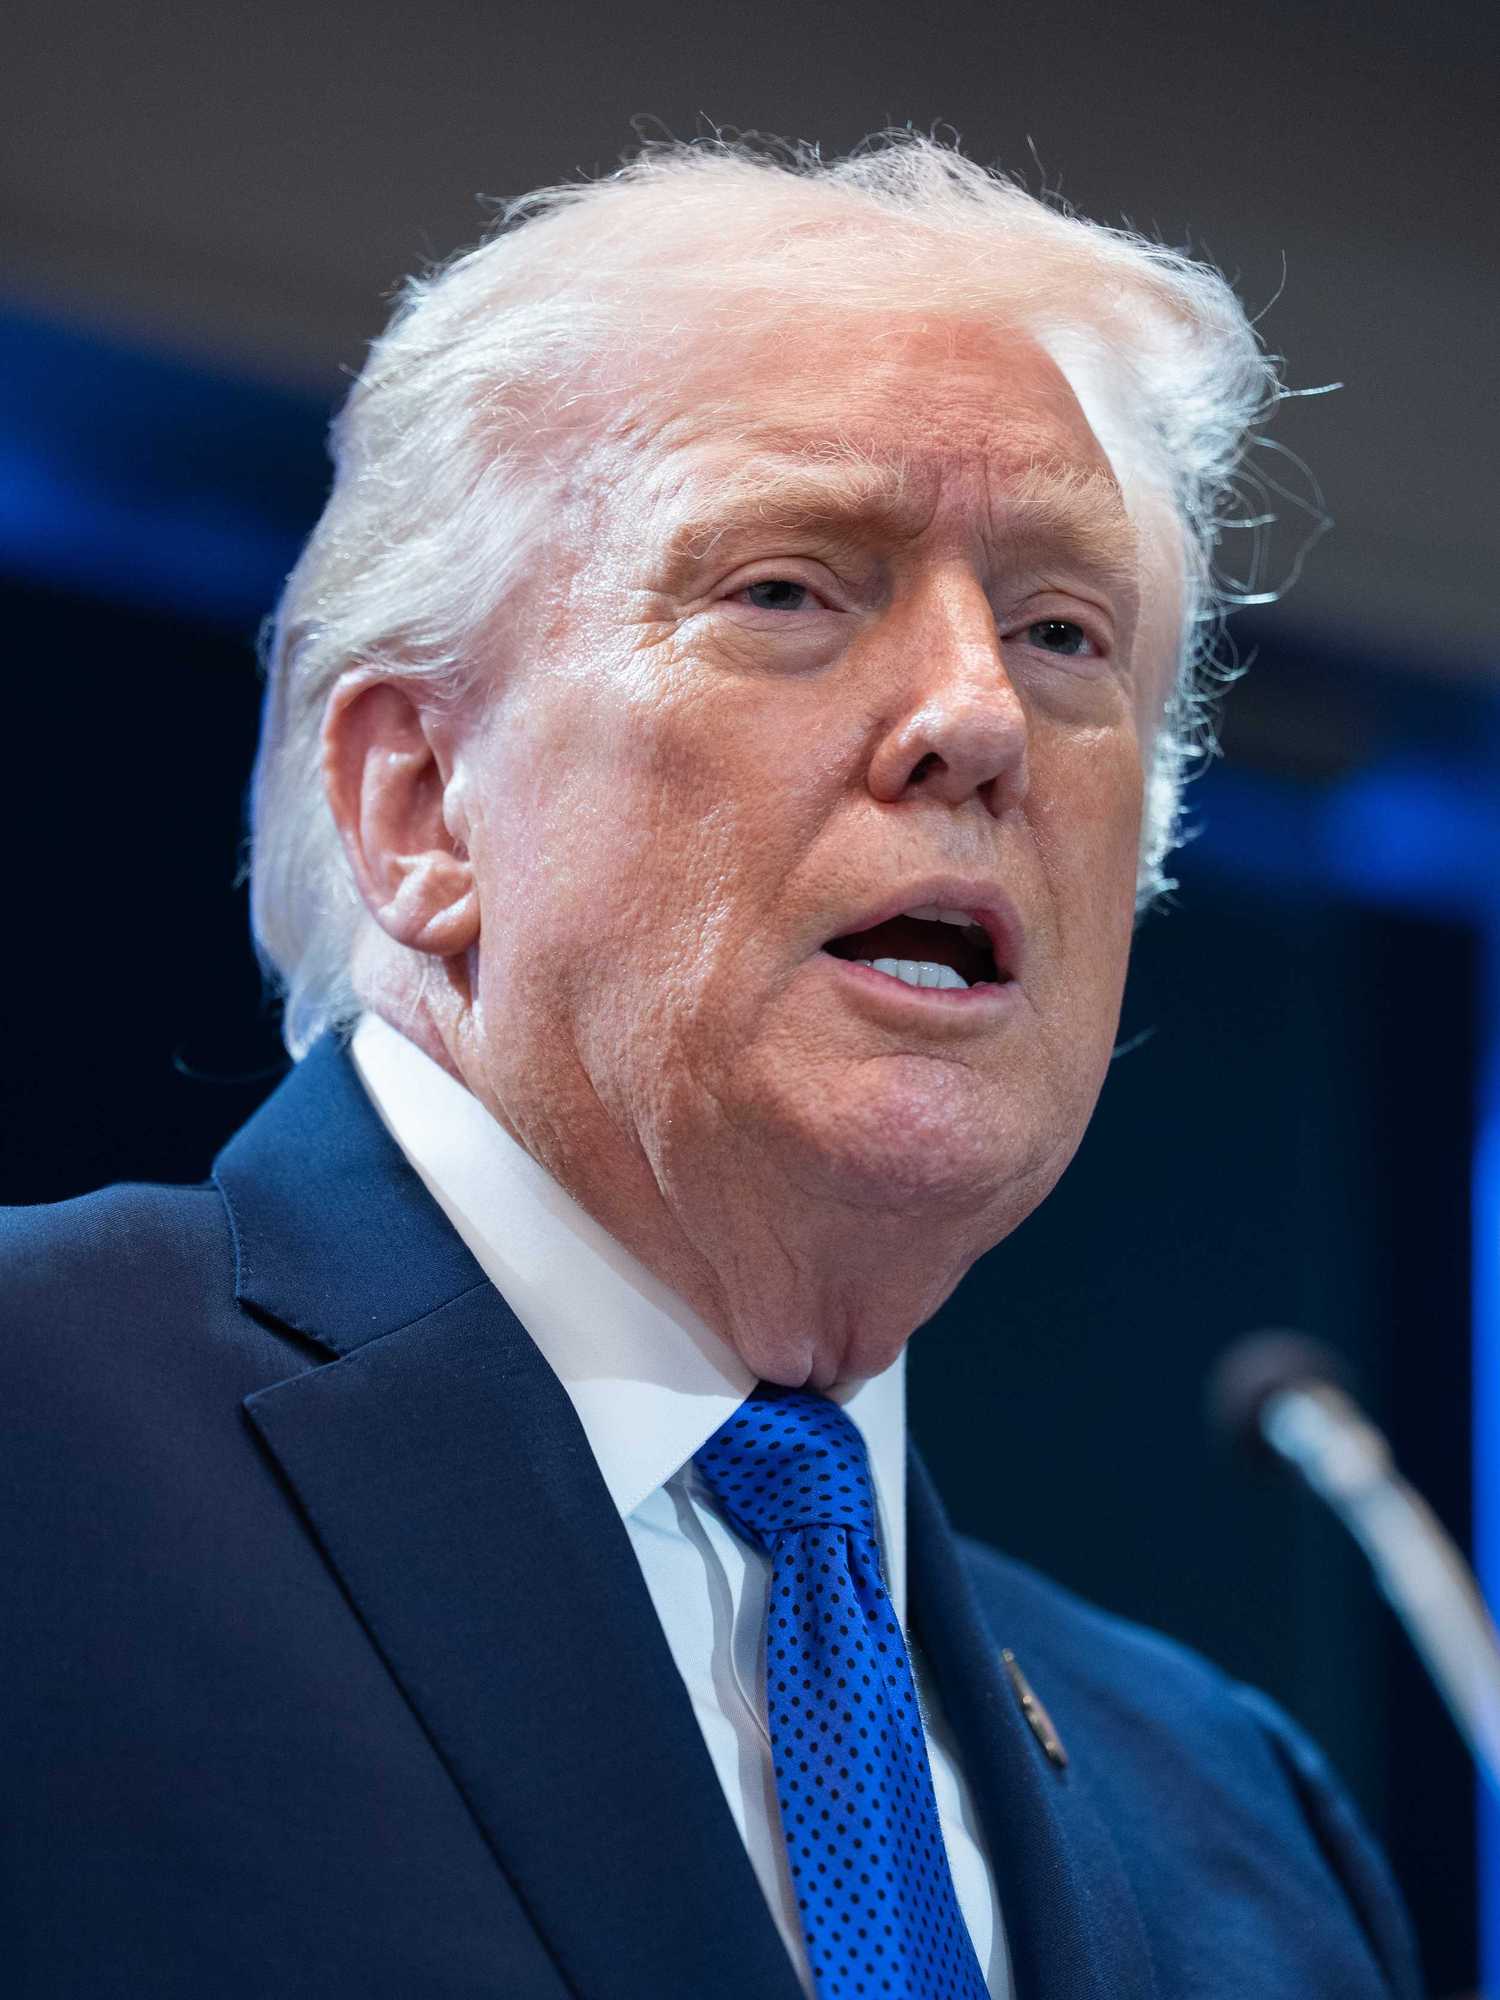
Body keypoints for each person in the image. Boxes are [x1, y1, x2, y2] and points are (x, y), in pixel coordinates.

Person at [1, 130, 1423, 1997]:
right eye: (791, 591)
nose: (980, 717)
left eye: (1065, 632)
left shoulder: (1245, 1829)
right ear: (423, 804)